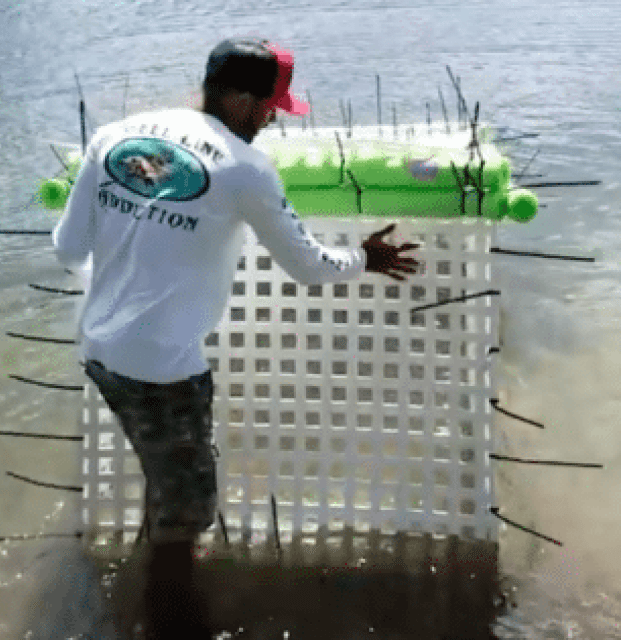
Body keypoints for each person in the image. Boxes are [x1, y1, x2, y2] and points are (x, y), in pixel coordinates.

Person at [51, 37, 421, 638]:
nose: (273, 117)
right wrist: (364, 258)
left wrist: (128, 285)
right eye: (271, 105)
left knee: (165, 471)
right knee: (193, 506)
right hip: (166, 370)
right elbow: (306, 266)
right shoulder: (246, 169)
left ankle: (155, 579)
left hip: (98, 351)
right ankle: (168, 619)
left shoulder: (113, 135)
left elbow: (68, 249)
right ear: (241, 98)